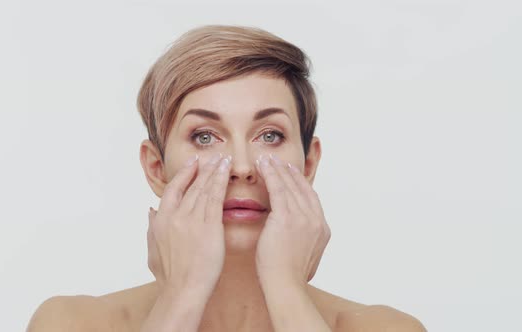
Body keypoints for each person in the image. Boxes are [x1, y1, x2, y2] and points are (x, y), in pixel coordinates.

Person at [26, 25, 426, 332]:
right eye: (204, 137)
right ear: (156, 167)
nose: (242, 166)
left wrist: (287, 290)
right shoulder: (73, 323)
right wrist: (181, 297)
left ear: (308, 163)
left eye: (270, 135)